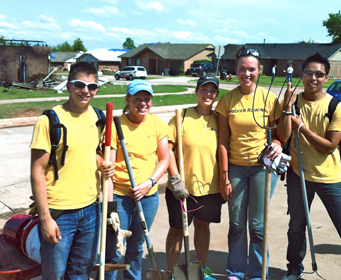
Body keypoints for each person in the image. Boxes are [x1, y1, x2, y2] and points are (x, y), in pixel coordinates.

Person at [276, 53, 341, 280]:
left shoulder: (336, 106)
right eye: (309, 73)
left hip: (330, 178)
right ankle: (294, 270)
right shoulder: (293, 102)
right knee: (296, 228)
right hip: (298, 176)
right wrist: (286, 108)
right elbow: (282, 137)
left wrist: (302, 128)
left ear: (327, 77)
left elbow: (329, 146)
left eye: (319, 74)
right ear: (302, 75)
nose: (313, 78)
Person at [30, 62, 115, 279]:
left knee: (80, 274)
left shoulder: (98, 118)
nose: (86, 91)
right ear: (68, 85)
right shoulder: (49, 121)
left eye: (92, 86)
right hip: (60, 213)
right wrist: (45, 218)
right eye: (80, 84)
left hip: (91, 210)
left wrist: (101, 162)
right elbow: (37, 171)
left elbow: (88, 151)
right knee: (55, 275)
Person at [216, 47, 283, 280]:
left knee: (257, 225)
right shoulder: (227, 100)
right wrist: (224, 176)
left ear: (260, 71)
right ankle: (235, 272)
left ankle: (257, 274)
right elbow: (223, 141)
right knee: (236, 223)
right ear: (235, 71)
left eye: (251, 69)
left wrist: (278, 143)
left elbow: (279, 133)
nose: (247, 74)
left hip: (262, 169)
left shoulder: (269, 98)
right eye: (242, 69)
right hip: (235, 168)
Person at [104, 79, 170, 280]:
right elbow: (108, 169)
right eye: (137, 98)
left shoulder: (157, 125)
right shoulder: (116, 126)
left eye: (147, 99)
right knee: (115, 249)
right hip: (120, 195)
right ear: (128, 99)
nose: (143, 103)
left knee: (136, 247)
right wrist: (110, 207)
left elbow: (165, 159)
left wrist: (149, 183)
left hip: (148, 196)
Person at [165, 75, 223, 280]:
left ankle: (202, 269)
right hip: (182, 187)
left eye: (212, 90)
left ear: (216, 94)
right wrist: (175, 179)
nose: (208, 94)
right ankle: (173, 273)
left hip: (211, 187)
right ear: (196, 91)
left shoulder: (220, 119)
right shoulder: (181, 117)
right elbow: (167, 151)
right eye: (204, 89)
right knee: (177, 229)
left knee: (202, 226)